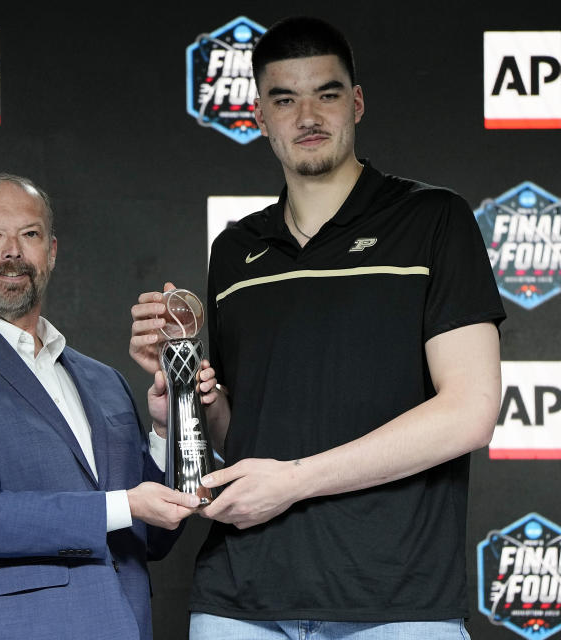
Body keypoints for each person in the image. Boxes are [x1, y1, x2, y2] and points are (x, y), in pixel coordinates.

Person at [130, 16, 506, 640]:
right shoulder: (234, 248)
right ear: (258, 115)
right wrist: (185, 405)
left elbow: (470, 410)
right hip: (239, 602)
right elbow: (235, 435)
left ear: (355, 103)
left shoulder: (433, 220)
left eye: (326, 94)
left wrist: (295, 482)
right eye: (284, 99)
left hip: (394, 605)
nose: (307, 115)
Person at [0, 173, 206, 640]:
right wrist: (120, 505)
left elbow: (148, 538)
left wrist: (162, 432)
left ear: (51, 252)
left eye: (29, 235)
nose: (12, 251)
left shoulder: (104, 380)